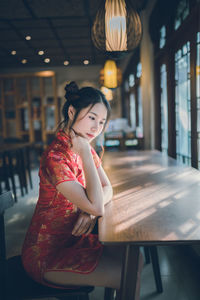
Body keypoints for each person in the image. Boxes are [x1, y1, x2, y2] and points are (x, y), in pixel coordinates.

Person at [22, 81, 142, 296]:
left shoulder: (84, 146)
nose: (96, 128)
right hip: (46, 253)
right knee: (126, 272)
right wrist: (86, 155)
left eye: (102, 121)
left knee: (135, 257)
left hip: (73, 239)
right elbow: (98, 205)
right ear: (71, 111)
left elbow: (108, 188)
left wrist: (88, 211)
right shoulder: (56, 157)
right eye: (92, 118)